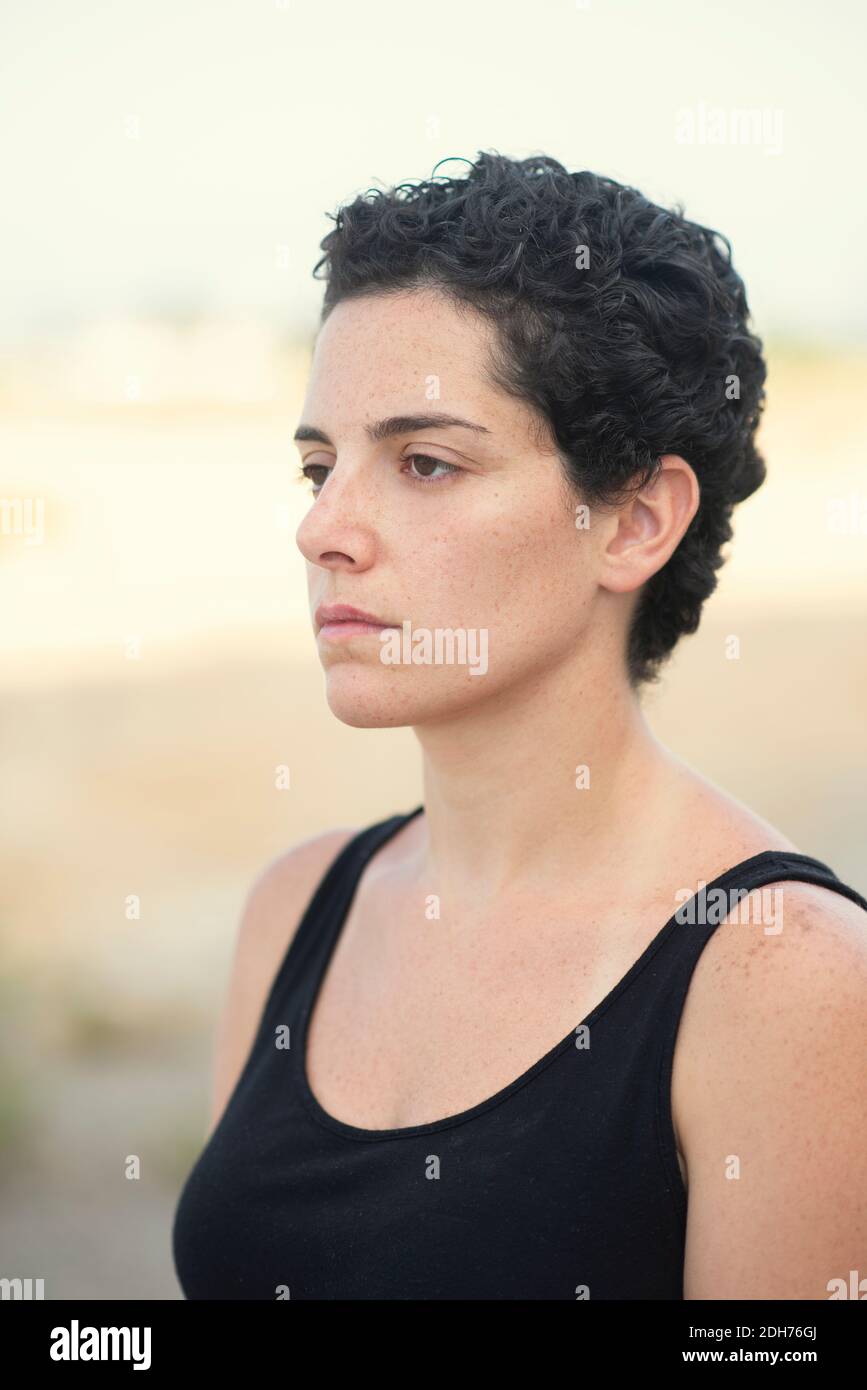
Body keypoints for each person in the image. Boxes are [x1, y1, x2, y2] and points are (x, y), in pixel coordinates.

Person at [172, 152, 867, 1300]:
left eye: (425, 461)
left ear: (635, 520)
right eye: (318, 466)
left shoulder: (788, 981)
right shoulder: (295, 910)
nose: (324, 529)